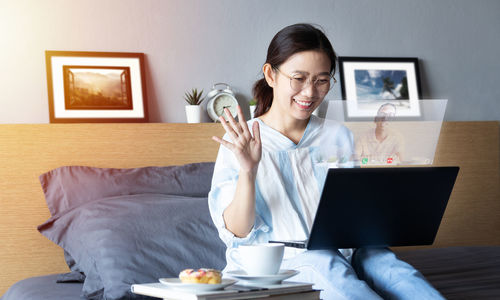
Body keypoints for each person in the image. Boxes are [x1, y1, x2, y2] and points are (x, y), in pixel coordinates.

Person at [208, 23, 443, 299]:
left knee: (387, 264)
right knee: (323, 263)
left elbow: (353, 213)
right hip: (275, 265)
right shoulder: (241, 140)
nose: (309, 92)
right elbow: (237, 232)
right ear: (271, 74)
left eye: (321, 80)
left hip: (344, 252)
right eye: (298, 78)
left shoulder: (338, 135)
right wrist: (248, 170)